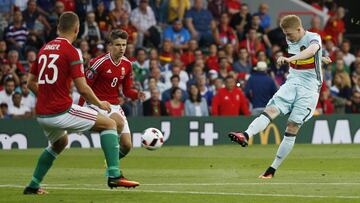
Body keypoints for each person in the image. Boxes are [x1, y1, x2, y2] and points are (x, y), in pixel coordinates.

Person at [23, 12, 139, 195]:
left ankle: (33, 185)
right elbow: (83, 88)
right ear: (77, 30)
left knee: (59, 143)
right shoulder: (71, 51)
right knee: (109, 124)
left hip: (43, 113)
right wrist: (100, 104)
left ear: (58, 28)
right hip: (61, 110)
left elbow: (30, 83)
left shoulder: (44, 48)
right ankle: (114, 175)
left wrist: (46, 98)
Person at [228, 15, 328, 179]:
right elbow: (306, 54)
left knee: (292, 127)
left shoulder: (313, 37)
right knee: (271, 109)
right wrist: (320, 58)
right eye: (285, 35)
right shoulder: (292, 39)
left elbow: (311, 50)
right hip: (292, 82)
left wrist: (290, 58)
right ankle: (244, 135)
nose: (287, 38)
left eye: (289, 34)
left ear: (299, 29)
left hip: (309, 89)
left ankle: (272, 169)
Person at [80, 29, 146, 176]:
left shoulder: (127, 65)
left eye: (124, 45)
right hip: (96, 104)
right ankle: (113, 170)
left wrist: (137, 94)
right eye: (117, 45)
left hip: (114, 105)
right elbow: (84, 88)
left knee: (127, 145)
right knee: (118, 123)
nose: (121, 48)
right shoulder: (97, 63)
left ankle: (109, 162)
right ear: (110, 45)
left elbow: (127, 90)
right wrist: (79, 110)